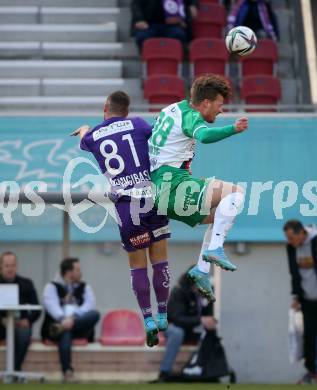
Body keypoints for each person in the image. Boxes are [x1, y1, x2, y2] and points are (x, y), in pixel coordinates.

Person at [73, 91, 171, 348]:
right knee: (160, 259)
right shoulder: (139, 124)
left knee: (137, 264)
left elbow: (84, 139)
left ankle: (148, 319)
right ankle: (163, 314)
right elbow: (159, 140)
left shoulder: (93, 135)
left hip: (127, 205)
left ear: (106, 107)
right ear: (127, 110)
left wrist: (84, 128)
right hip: (152, 197)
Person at [149, 73, 248, 302]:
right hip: (173, 184)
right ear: (205, 103)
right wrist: (233, 129)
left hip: (159, 191)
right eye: (219, 105)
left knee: (221, 217)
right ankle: (214, 250)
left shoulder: (170, 110)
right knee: (236, 194)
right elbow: (204, 136)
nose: (220, 110)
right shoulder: (191, 116)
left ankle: (202, 270)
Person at [41, 258, 100, 383]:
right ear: (69, 272)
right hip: (55, 329)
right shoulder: (51, 286)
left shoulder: (84, 286)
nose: (80, 272)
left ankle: (66, 327)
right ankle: (67, 371)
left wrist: (72, 318)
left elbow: (90, 304)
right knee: (65, 332)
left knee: (94, 314)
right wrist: (63, 319)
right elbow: (52, 307)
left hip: (77, 325)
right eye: (77, 270)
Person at [156, 268, 216, 382]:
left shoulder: (205, 293)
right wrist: (200, 320)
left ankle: (206, 371)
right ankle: (164, 372)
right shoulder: (179, 291)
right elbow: (177, 319)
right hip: (171, 326)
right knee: (177, 332)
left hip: (190, 328)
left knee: (209, 335)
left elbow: (208, 315)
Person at [283, 220, 317, 385]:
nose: (289, 241)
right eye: (287, 238)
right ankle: (312, 372)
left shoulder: (315, 241)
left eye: (291, 237)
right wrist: (296, 296)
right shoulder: (291, 249)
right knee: (309, 336)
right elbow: (294, 274)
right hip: (308, 300)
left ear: (301, 233)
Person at [0, 251, 40, 373]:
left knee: (24, 333)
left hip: (20, 324)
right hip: (0, 325)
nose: (10, 269)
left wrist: (28, 320)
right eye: (7, 266)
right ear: (1, 266)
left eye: (13, 265)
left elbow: (36, 308)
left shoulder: (26, 283)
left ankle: (15, 370)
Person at [131, 0, 198, 50]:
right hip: (149, 25)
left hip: (171, 26)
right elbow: (136, 4)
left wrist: (192, 4)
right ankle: (149, 59)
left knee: (179, 35)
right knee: (141, 37)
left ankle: (171, 59)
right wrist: (139, 19)